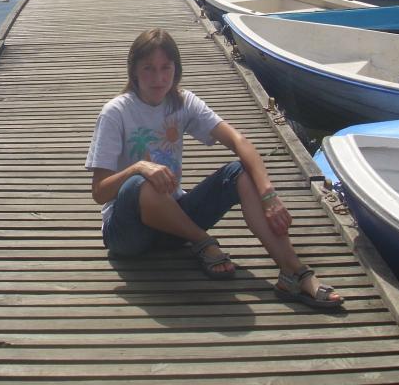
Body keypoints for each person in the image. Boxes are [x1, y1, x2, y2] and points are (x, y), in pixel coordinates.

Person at [85, 28, 344, 310]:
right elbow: (100, 192)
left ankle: (293, 271)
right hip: (128, 234)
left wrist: (268, 195)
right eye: (148, 68)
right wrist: (138, 167)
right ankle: (203, 241)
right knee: (141, 182)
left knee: (240, 172)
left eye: (165, 68)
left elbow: (238, 141)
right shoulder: (116, 112)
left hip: (174, 224)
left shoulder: (183, 102)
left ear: (176, 69)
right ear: (133, 71)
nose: (158, 78)